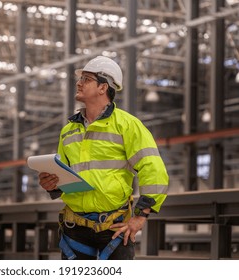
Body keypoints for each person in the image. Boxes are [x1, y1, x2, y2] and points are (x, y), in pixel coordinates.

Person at [38, 56, 169, 260]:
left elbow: (154, 169)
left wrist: (140, 216)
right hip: (75, 228)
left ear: (103, 87)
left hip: (114, 228)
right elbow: (64, 175)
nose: (79, 83)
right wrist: (51, 184)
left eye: (86, 79)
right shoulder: (68, 130)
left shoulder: (127, 125)